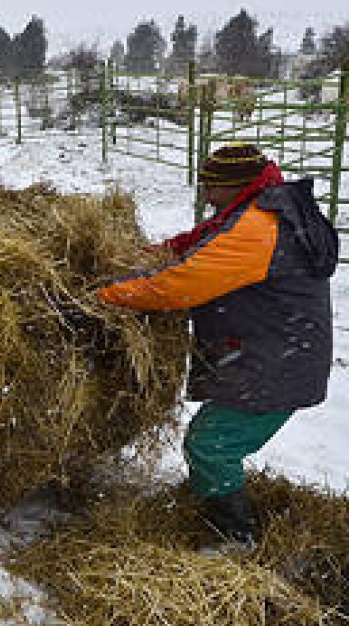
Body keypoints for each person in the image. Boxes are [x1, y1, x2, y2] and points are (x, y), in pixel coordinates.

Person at [96, 142, 339, 549]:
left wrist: (109, 296)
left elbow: (183, 284)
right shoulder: (257, 210)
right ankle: (212, 507)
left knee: (211, 444)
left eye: (212, 187)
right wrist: (138, 256)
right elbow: (198, 245)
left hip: (277, 365)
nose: (207, 196)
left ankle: (236, 537)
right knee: (212, 440)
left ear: (235, 185)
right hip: (275, 352)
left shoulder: (260, 228)